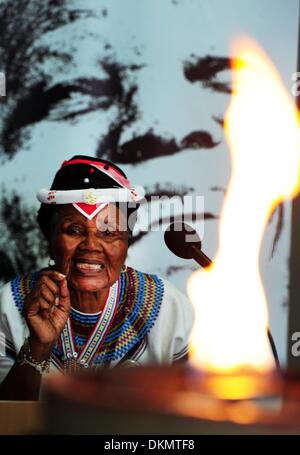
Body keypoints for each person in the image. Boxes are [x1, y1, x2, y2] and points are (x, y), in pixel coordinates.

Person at [0, 155, 194, 400]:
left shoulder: (168, 306)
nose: (91, 245)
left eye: (108, 231)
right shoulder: (9, 303)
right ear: (50, 239)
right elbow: (6, 419)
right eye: (74, 230)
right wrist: (38, 347)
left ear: (126, 242)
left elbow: (195, 410)